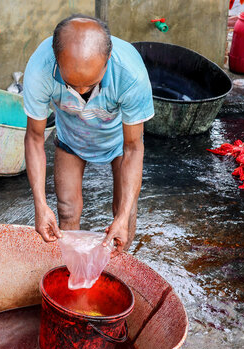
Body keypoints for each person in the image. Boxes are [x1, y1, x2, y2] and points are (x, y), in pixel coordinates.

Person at [23, 14, 154, 255]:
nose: (81, 92)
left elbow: (134, 148)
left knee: (125, 211)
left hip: (119, 142)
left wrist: (123, 217)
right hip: (70, 138)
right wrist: (40, 205)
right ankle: (71, 274)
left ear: (108, 61)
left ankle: (119, 268)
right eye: (71, 84)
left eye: (91, 84)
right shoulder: (40, 70)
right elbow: (34, 138)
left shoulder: (130, 74)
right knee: (67, 210)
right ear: (56, 60)